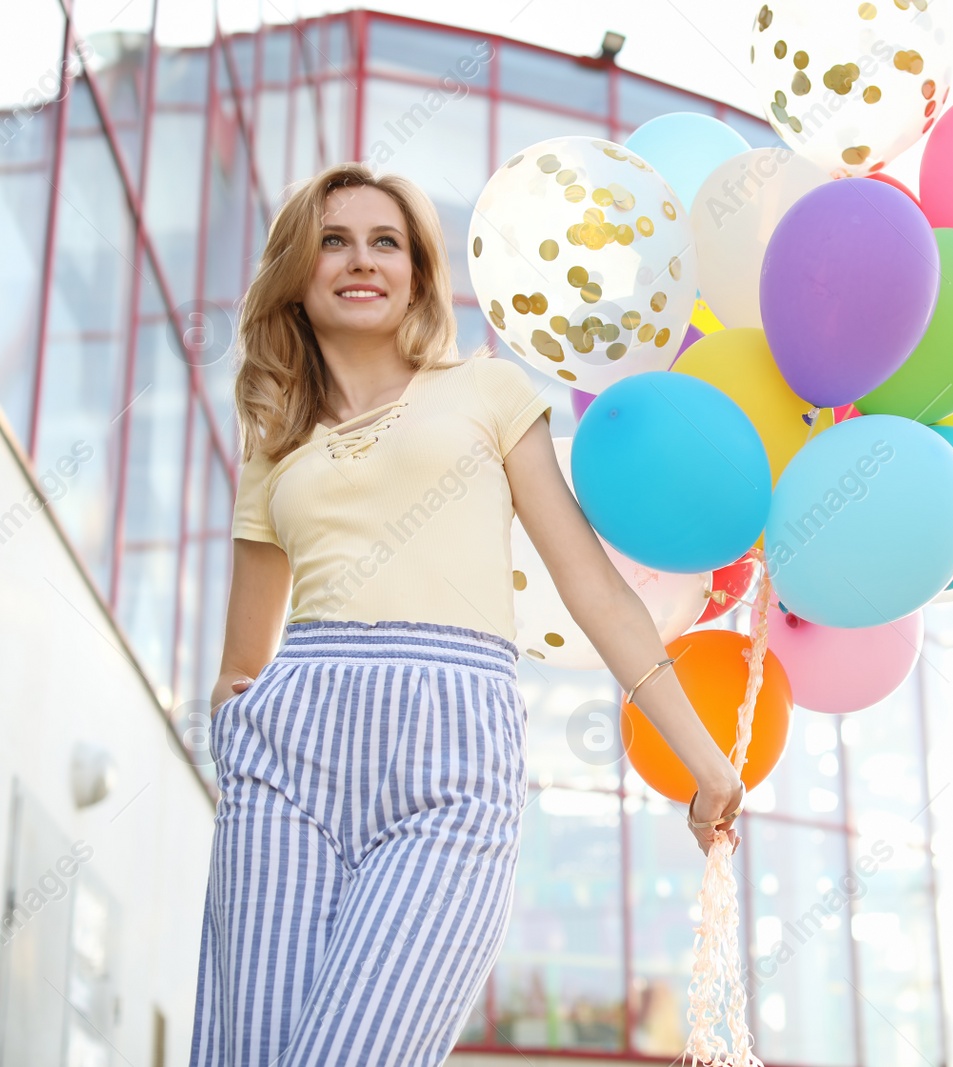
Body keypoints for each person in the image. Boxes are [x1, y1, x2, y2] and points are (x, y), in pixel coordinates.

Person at [189, 161, 746, 1066]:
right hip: (284, 766)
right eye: (334, 240)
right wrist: (241, 734)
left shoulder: (486, 392)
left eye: (387, 242)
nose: (361, 259)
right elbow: (239, 663)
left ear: (416, 271)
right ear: (298, 270)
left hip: (451, 755)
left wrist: (703, 758)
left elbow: (593, 587)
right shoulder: (276, 439)